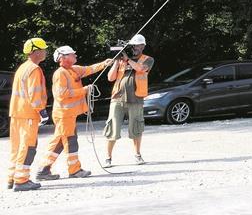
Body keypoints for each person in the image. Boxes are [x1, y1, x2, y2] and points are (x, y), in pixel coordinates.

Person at [37, 47, 113, 181]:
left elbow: (89, 69)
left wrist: (104, 64)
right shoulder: (60, 74)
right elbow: (62, 95)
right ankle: (74, 170)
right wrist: (84, 90)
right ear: (63, 57)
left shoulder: (74, 69)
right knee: (70, 142)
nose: (75, 55)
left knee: (59, 142)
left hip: (67, 115)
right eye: (72, 54)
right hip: (63, 115)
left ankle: (43, 169)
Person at [104, 34, 153, 166]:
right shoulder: (120, 61)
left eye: (138, 45)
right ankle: (108, 158)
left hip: (136, 98)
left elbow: (141, 69)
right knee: (113, 127)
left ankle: (137, 155)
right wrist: (117, 60)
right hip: (117, 98)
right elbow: (110, 77)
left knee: (136, 127)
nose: (135, 48)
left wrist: (128, 60)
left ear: (143, 46)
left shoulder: (147, 59)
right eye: (133, 45)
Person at [8, 37, 49, 192]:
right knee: (28, 147)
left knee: (17, 147)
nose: (45, 51)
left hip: (17, 113)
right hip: (28, 115)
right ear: (35, 52)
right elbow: (34, 93)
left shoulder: (23, 68)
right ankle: (21, 180)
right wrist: (42, 111)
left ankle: (12, 178)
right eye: (43, 49)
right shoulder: (34, 69)